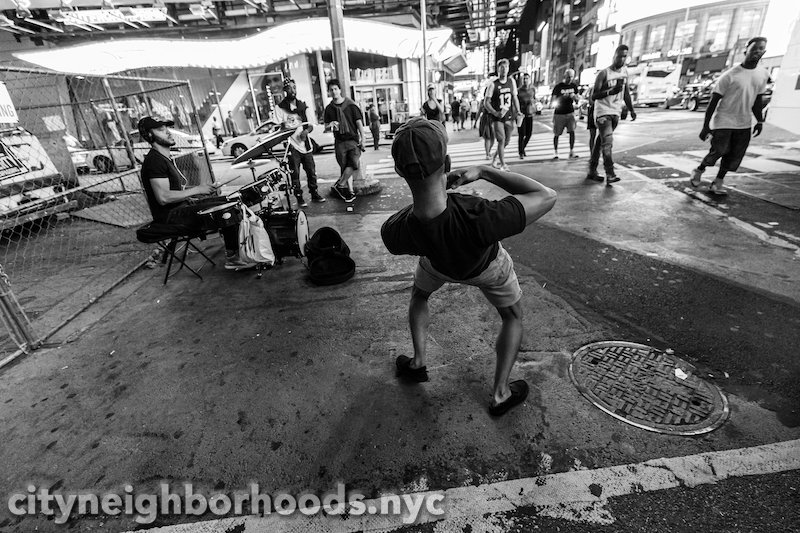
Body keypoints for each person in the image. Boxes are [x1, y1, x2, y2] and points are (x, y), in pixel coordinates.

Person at [381, 117, 557, 416]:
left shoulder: (397, 230)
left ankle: (418, 361)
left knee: (419, 296)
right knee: (513, 316)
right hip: (487, 268)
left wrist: (434, 193)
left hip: (438, 265)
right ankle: (500, 393)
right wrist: (486, 172)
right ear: (447, 162)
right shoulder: (478, 215)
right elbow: (546, 196)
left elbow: (412, 221)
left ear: (399, 171)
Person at [137, 116, 252, 270]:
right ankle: (233, 257)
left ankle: (237, 249)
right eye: (160, 130)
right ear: (149, 136)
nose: (168, 133)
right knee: (227, 209)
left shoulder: (163, 157)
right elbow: (163, 198)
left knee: (228, 201)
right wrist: (198, 189)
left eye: (167, 129)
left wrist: (200, 192)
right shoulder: (155, 161)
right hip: (171, 216)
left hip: (180, 208)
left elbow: (173, 191)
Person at [691, 37, 769, 196]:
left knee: (734, 156)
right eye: (754, 48)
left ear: (764, 52)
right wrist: (706, 126)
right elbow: (713, 102)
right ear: (746, 50)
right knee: (718, 151)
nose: (757, 52)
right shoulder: (730, 75)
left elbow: (757, 100)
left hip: (744, 123)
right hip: (724, 121)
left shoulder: (762, 74)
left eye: (761, 49)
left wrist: (759, 121)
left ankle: (718, 182)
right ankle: (699, 169)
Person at [587, 45, 636, 184]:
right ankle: (610, 172)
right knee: (607, 143)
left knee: (599, 142)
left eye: (624, 56)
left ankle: (592, 169)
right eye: (619, 55)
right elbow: (594, 95)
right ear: (614, 56)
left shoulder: (625, 72)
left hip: (615, 112)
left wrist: (631, 109)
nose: (621, 59)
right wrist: (610, 91)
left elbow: (626, 93)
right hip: (603, 112)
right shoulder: (604, 73)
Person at [274, 78, 325, 206]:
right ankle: (299, 198)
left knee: (311, 171)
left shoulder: (303, 105)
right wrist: (287, 128)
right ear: (285, 90)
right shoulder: (280, 108)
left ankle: (314, 193)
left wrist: (306, 131)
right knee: (294, 174)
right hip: (292, 146)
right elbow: (278, 128)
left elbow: (311, 125)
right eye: (290, 88)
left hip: (305, 145)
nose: (293, 90)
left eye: (294, 87)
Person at [323, 78, 363, 203]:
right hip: (339, 141)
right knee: (345, 167)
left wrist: (364, 137)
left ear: (340, 90)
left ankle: (340, 185)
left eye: (335, 89)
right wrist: (331, 124)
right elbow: (326, 127)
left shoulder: (350, 104)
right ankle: (349, 192)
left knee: (353, 164)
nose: (334, 92)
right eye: (331, 90)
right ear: (329, 92)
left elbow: (358, 122)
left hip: (352, 139)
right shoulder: (329, 109)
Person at [484, 59, 522, 172]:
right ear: (498, 69)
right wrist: (495, 112)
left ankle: (495, 158)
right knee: (501, 140)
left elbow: (515, 97)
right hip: (497, 118)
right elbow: (486, 102)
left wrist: (518, 111)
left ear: (508, 69)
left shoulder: (511, 82)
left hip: (509, 116)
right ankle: (503, 164)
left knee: (506, 141)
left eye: (505, 67)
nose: (504, 69)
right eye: (501, 67)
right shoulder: (493, 84)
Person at [551, 69, 580, 159]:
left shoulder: (574, 86)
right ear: (565, 76)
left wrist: (574, 97)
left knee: (572, 132)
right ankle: (555, 152)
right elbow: (553, 100)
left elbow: (577, 99)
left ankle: (571, 150)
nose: (570, 79)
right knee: (557, 133)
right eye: (568, 77)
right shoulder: (558, 87)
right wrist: (562, 98)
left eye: (571, 77)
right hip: (559, 113)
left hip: (570, 112)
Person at [517, 73, 536, 159]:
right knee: (521, 134)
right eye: (524, 78)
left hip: (530, 113)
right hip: (521, 114)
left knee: (529, 133)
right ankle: (521, 152)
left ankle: (523, 148)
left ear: (529, 79)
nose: (525, 80)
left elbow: (534, 99)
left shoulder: (532, 89)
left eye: (527, 78)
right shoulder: (519, 90)